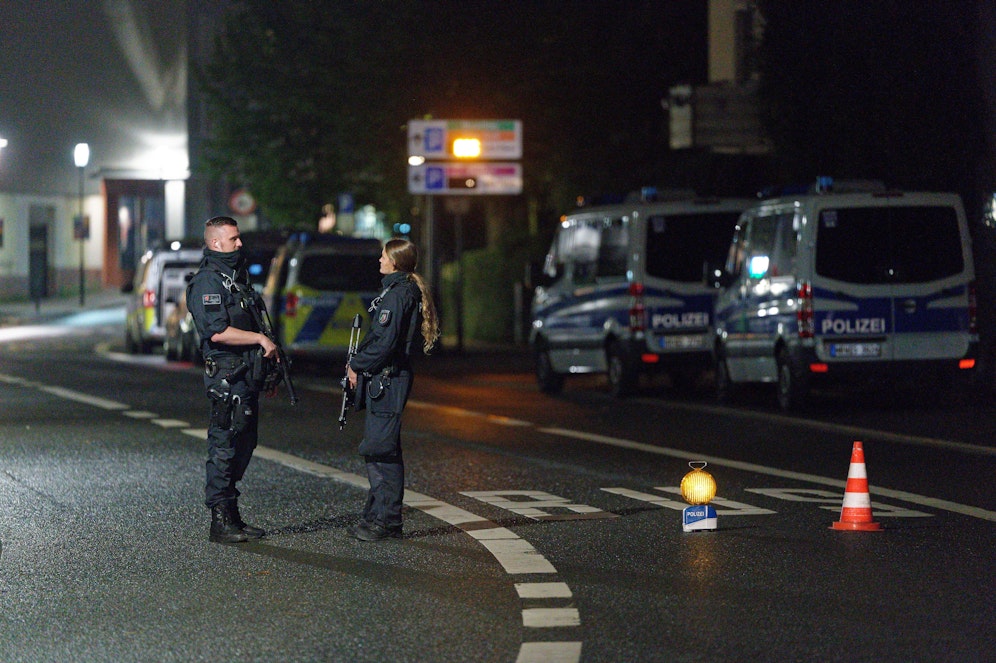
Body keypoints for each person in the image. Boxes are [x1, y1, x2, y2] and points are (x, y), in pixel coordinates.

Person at [186, 216, 278, 543]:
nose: (240, 244)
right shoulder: (208, 282)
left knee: (244, 442)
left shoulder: (234, 279)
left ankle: (232, 515)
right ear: (216, 243)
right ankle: (220, 519)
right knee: (224, 443)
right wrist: (258, 339)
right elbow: (217, 330)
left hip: (245, 374)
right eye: (234, 239)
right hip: (226, 377)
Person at [346, 238, 439, 541]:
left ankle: (386, 522)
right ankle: (376, 516)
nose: (379, 260)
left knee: (381, 450)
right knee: (381, 448)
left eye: (383, 256)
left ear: (395, 261)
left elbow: (384, 344)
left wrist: (356, 364)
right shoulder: (397, 290)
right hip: (386, 379)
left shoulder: (398, 295)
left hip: (388, 379)